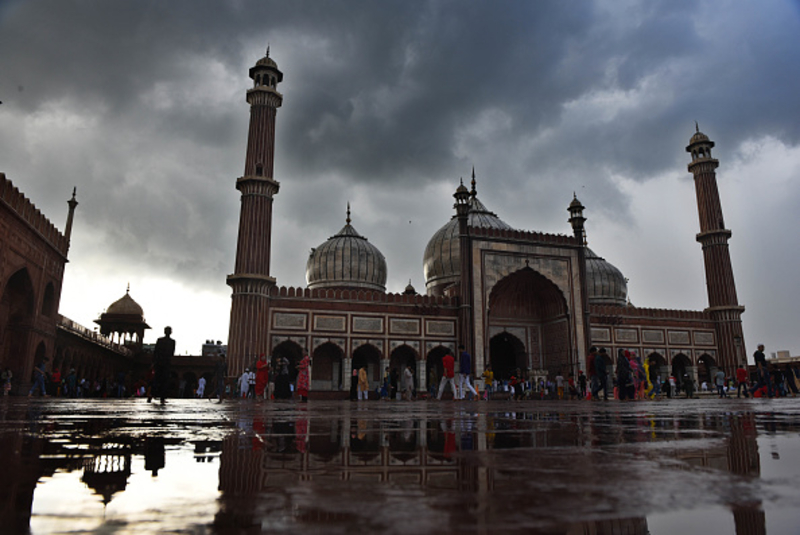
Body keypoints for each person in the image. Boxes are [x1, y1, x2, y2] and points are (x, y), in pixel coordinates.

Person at [149, 326, 175, 403]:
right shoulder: (172, 342)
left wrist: (153, 362)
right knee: (165, 380)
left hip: (159, 362)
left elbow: (155, 351)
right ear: (171, 332)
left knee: (156, 379)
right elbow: (172, 353)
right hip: (166, 363)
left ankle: (151, 395)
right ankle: (162, 398)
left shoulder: (160, 340)